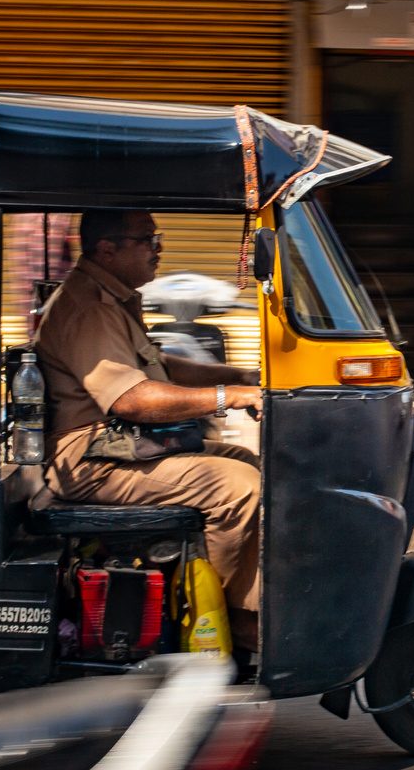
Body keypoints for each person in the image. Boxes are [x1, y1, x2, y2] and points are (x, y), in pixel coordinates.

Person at [32, 210, 265, 649]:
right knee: (238, 486)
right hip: (92, 457)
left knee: (243, 459)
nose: (159, 251)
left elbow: (161, 366)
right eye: (148, 241)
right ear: (108, 249)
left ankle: (224, 589)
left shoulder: (112, 297)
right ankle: (234, 621)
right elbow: (131, 399)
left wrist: (243, 377)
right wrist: (226, 397)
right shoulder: (90, 310)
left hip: (117, 445)